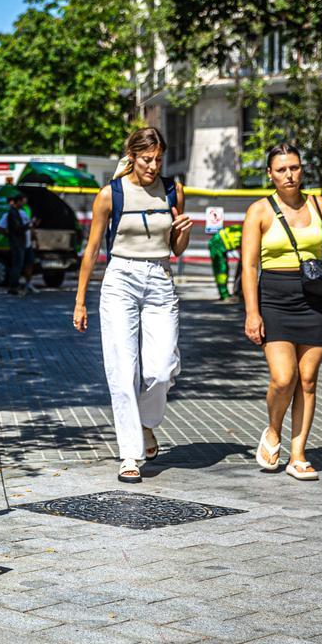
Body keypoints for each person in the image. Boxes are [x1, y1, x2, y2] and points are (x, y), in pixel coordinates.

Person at [72, 127, 194, 483]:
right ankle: (129, 454)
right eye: (146, 159)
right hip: (120, 278)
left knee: (162, 367)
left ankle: (144, 423)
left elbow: (177, 248)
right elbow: (92, 250)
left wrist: (183, 230)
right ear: (132, 156)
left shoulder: (173, 190)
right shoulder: (110, 194)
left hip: (159, 276)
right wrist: (80, 302)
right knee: (123, 371)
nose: (153, 167)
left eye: (158, 159)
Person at [241, 143, 322, 482]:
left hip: (316, 299)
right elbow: (248, 266)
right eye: (282, 169)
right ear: (270, 174)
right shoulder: (259, 211)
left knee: (308, 380)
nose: (290, 175)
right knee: (283, 377)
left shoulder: (320, 205)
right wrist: (251, 313)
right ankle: (273, 430)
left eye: (295, 168)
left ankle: (298, 454)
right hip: (274, 298)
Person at [209, 224, 244, 300]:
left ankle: (232, 293)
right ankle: (224, 295)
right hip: (217, 244)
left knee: (224, 269)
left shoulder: (245, 230)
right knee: (221, 271)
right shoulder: (250, 233)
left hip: (218, 242)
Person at [4, 194, 28, 295]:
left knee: (17, 264)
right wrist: (28, 225)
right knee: (17, 264)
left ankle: (14, 286)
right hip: (16, 242)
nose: (24, 203)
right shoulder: (13, 212)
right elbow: (17, 228)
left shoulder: (15, 212)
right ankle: (13, 286)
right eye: (23, 201)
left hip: (17, 242)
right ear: (18, 201)